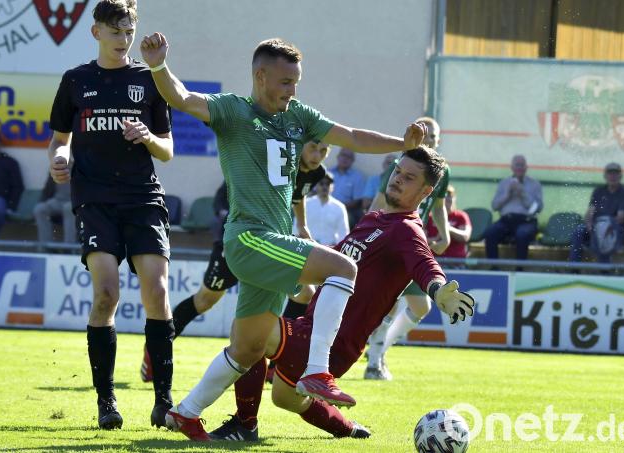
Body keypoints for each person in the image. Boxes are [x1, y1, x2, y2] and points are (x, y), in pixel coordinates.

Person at [140, 33, 425, 440]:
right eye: (286, 82)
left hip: (272, 245)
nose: (293, 91)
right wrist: (158, 66)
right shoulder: (233, 111)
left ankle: (185, 413)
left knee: (248, 348)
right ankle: (317, 372)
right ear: (260, 77)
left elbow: (353, 136)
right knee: (342, 267)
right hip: (249, 238)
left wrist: (402, 144)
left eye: (297, 82)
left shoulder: (298, 116)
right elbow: (182, 98)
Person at [207, 147, 475, 441]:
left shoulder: (407, 231)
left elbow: (425, 264)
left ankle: (244, 427)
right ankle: (348, 429)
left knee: (252, 332)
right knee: (284, 397)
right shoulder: (374, 218)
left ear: (426, 192)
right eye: (398, 171)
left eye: (408, 178)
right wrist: (301, 258)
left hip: (334, 342)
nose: (397, 179)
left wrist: (438, 290)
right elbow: (338, 257)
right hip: (314, 329)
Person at [48, 0, 175, 430]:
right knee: (106, 294)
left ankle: (164, 401)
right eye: (116, 32)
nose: (123, 41)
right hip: (95, 199)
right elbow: (59, 140)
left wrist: (147, 137)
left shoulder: (149, 80)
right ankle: (106, 402)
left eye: (129, 32)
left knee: (156, 293)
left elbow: (168, 150)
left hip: (142, 197)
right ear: (96, 32)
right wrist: (59, 159)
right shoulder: (75, 81)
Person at [140, 141, 331, 383]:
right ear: (299, 146)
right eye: (313, 148)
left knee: (304, 293)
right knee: (205, 300)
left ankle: (277, 365)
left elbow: (298, 195)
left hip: (272, 242)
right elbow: (226, 195)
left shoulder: (317, 172)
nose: (317, 156)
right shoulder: (273, 162)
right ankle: (155, 351)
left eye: (324, 150)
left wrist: (302, 225)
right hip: (237, 240)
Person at [363, 116, 450, 381]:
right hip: (390, 239)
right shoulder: (400, 166)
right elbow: (378, 202)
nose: (431, 141)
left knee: (421, 306)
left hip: (412, 242)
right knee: (388, 304)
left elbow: (437, 205)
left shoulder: (442, 172)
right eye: (426, 136)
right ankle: (373, 363)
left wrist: (444, 235)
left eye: (434, 137)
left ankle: (377, 351)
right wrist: (367, 234)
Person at [484, 154, 543, 260]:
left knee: (522, 234)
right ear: (512, 167)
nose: (519, 168)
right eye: (517, 165)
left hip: (526, 221)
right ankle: (494, 267)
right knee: (490, 233)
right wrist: (507, 195)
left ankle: (519, 269)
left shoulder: (535, 184)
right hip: (506, 220)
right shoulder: (504, 183)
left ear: (526, 167)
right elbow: (494, 206)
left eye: (522, 165)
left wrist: (522, 193)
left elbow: (537, 209)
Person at [569, 162, 624, 263]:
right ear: (605, 176)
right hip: (596, 224)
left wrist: (602, 227)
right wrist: (589, 224)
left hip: (614, 226)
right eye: (610, 173)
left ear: (620, 176)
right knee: (579, 231)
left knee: (602, 232)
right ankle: (574, 266)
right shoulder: (598, 191)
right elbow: (590, 212)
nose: (612, 176)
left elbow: (621, 217)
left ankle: (604, 271)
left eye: (615, 173)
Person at [301, 172, 349, 246]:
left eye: (328, 184)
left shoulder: (339, 207)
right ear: (316, 186)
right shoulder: (306, 204)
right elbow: (297, 227)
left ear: (332, 187)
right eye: (321, 183)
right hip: (307, 247)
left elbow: (343, 233)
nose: (324, 186)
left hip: (330, 249)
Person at [426, 185, 471, 259]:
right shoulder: (429, 217)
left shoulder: (461, 216)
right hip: (433, 260)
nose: (448, 199)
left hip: (456, 262)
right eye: (445, 196)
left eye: (451, 196)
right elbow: (422, 239)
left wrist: (447, 229)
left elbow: (465, 236)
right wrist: (436, 238)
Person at [329, 148, 365, 226]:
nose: (345, 158)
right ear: (338, 157)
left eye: (349, 157)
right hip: (323, 205)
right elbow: (315, 192)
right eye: (343, 155)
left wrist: (337, 207)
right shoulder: (328, 172)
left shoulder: (357, 177)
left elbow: (356, 201)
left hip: (344, 210)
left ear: (353, 161)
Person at [33, 176, 74, 243]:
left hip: (75, 201)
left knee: (68, 208)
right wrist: (42, 201)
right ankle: (46, 245)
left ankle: (69, 246)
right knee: (40, 209)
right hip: (58, 200)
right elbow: (47, 190)